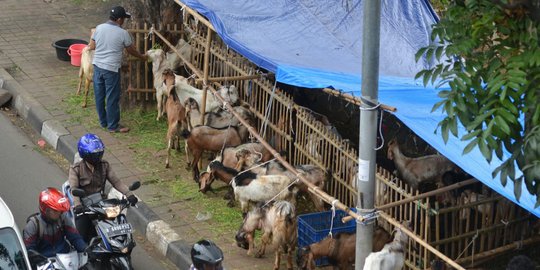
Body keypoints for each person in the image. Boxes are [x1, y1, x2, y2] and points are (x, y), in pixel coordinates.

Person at [68, 133, 138, 241]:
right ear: (85, 154)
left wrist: (129, 194)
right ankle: (84, 254)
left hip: (101, 204)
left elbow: (117, 182)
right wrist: (77, 205)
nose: (97, 157)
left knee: (116, 225)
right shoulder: (76, 169)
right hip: (84, 207)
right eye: (94, 155)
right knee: (81, 236)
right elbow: (74, 189)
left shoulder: (104, 165)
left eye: (99, 153)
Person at [88, 5, 148, 133]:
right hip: (111, 69)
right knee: (112, 97)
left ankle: (103, 122)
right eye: (124, 19)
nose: (124, 22)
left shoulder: (99, 28)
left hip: (97, 66)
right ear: (119, 19)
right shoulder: (122, 33)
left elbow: (92, 46)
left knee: (99, 96)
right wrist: (142, 57)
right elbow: (131, 50)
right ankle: (113, 126)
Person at [23, 188, 87, 258]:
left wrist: (85, 250)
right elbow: (29, 250)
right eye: (56, 210)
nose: (59, 212)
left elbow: (75, 237)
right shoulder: (33, 226)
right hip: (45, 262)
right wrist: (37, 260)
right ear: (46, 210)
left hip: (66, 257)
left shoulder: (63, 217)